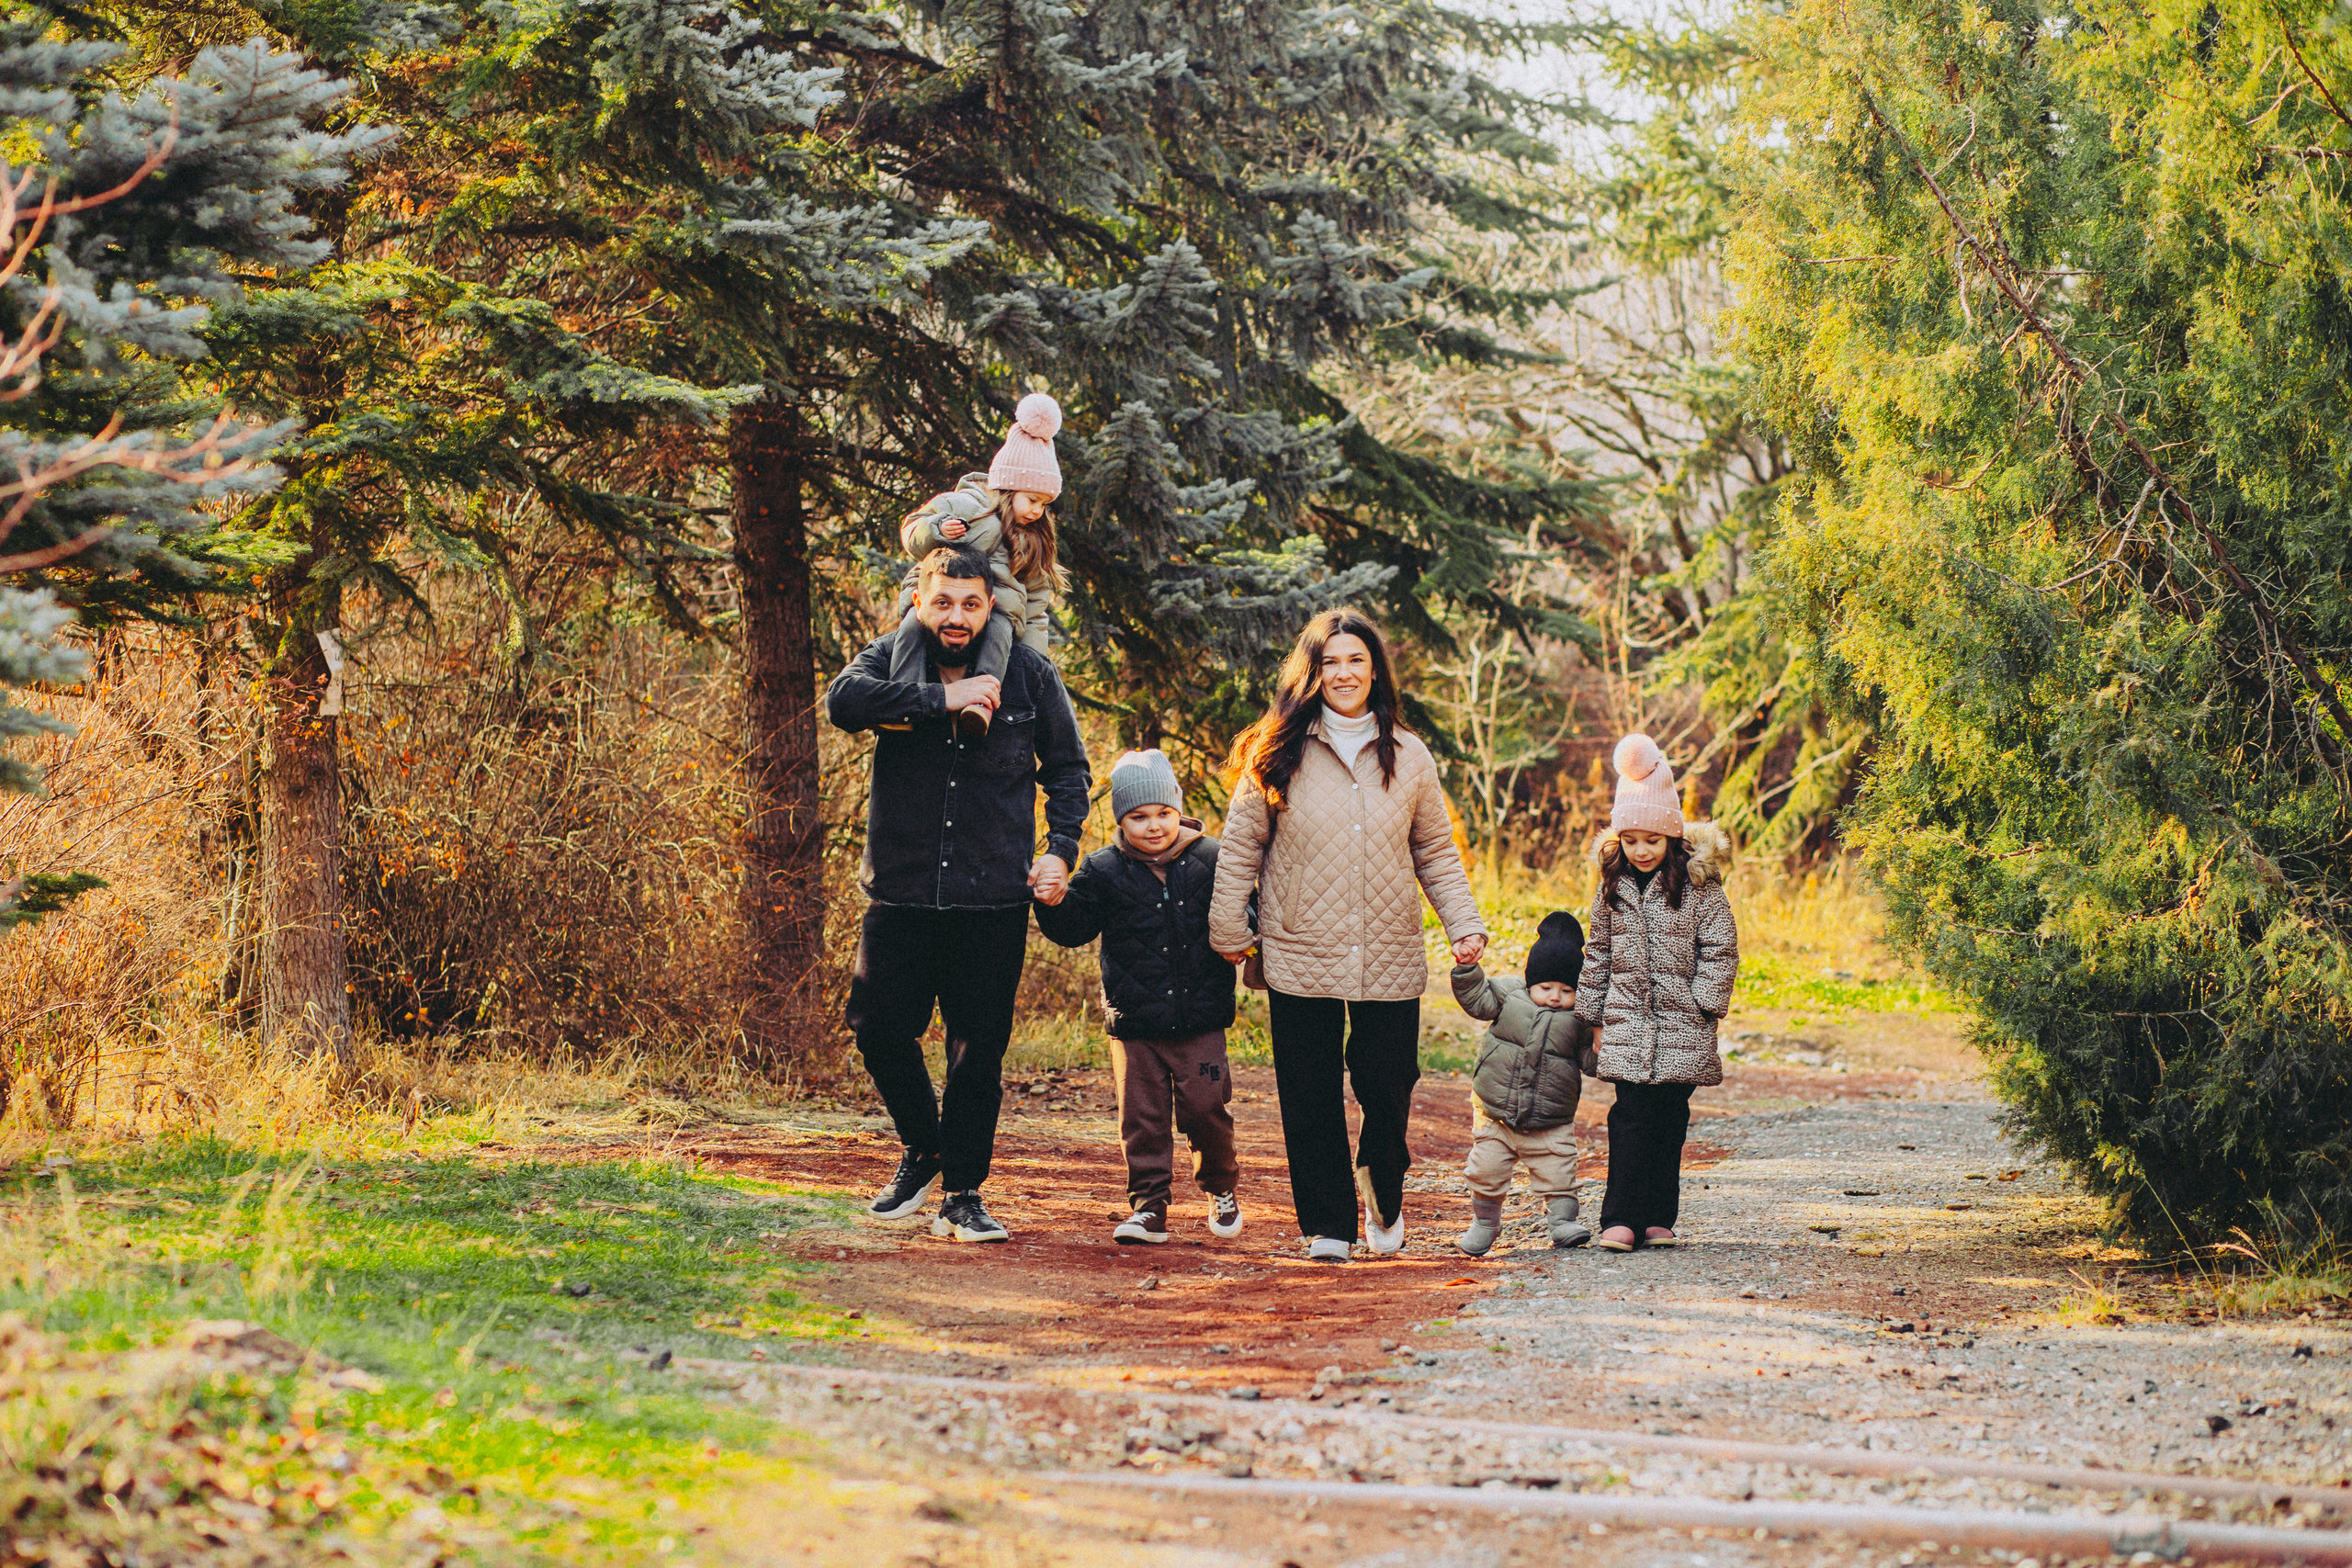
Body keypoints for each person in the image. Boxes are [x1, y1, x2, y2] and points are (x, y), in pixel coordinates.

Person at [825, 545, 1091, 1243]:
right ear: (919, 600)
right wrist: (940, 699)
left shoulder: (1029, 675)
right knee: (877, 1029)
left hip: (992, 900)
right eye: (942, 601)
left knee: (978, 1052)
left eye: (971, 603)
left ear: (990, 606)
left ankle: (964, 1194)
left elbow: (1068, 771)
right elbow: (842, 703)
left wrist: (1060, 850)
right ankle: (926, 1146)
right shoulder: (887, 658)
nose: (956, 616)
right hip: (901, 892)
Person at [1208, 609, 1487, 1262]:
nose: (1343, 673)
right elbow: (1241, 845)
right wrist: (1228, 926)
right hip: (1298, 939)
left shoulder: (1409, 754)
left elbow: (1436, 851)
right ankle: (1327, 1224)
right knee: (1307, 1092)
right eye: (1330, 662)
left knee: (1389, 1084)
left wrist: (1463, 923)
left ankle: (1381, 1189)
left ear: (1374, 669)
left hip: (1388, 944)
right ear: (1312, 672)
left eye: (1354, 660)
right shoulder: (1275, 748)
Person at [1033, 749, 1244, 1246]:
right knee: (1143, 1119)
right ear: (1121, 821)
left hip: (1202, 1018)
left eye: (1163, 814)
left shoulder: (1212, 859)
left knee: (1207, 1110)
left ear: (1179, 809)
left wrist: (1248, 936)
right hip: (1135, 1024)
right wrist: (1052, 903)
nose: (1153, 826)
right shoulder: (1103, 869)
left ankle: (1220, 1188)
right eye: (1138, 817)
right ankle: (1149, 1207)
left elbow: (1246, 909)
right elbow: (1074, 929)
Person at [1576, 733, 1740, 1252]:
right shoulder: (1612, 888)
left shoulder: (1700, 888)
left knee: (1668, 1121)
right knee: (1629, 1118)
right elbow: (1597, 951)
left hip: (1681, 1025)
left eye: (1652, 839)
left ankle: (1656, 1217)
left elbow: (1720, 947)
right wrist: (1593, 1014)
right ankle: (1620, 1218)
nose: (1641, 851)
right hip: (1626, 1021)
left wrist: (1703, 1002)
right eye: (1630, 840)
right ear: (1618, 839)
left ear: (1671, 836)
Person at [892, 392, 1069, 738]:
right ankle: (902, 700)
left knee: (1002, 632)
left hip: (999, 612)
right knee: (912, 629)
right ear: (1008, 487)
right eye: (1032, 499)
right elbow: (913, 527)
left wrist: (1035, 664)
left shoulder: (1033, 539)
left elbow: (1036, 608)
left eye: (1045, 505)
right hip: (940, 602)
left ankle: (980, 706)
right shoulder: (969, 505)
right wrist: (937, 529)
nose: (1037, 511)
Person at [1449, 910, 1594, 1256]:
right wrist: (1468, 970)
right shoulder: (1509, 995)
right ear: (1531, 981)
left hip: (1550, 1120)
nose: (1555, 997)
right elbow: (1476, 999)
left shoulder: (1581, 1019)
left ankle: (1562, 1223)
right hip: (1495, 1113)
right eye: (1545, 988)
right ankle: (1485, 1222)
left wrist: (1606, 1042)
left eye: (1567, 990)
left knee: (1559, 1171)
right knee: (1484, 1170)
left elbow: (1591, 1062)